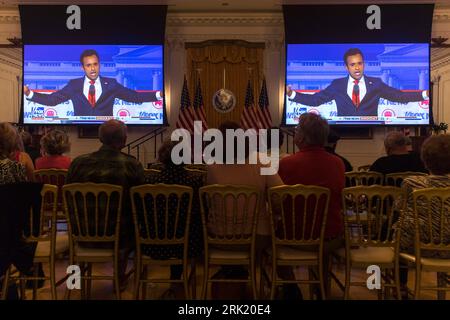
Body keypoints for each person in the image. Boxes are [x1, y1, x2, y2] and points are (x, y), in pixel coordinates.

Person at [66, 119, 145, 291]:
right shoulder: (132, 165)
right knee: (131, 220)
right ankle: (120, 278)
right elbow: (141, 203)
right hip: (119, 238)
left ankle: (74, 281)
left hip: (82, 236)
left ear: (100, 138)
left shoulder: (78, 163)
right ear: (124, 140)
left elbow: (66, 198)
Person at [278, 113, 346, 299]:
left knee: (268, 236)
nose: (295, 131)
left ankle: (290, 286)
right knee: (322, 234)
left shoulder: (286, 164)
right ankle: (320, 288)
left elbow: (277, 202)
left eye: (297, 129)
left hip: (291, 236)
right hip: (329, 237)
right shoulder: (338, 163)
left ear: (302, 137)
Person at [141, 140, 203, 299]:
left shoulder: (148, 183)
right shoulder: (194, 182)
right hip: (186, 246)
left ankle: (174, 281)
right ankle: (177, 280)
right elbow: (201, 212)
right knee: (188, 226)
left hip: (151, 245)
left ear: (161, 157)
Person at [286, 48, 429, 117]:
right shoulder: (337, 85)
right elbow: (315, 100)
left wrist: (424, 94)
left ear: (364, 65)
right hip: (342, 131)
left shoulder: (376, 83)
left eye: (359, 63)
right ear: (346, 67)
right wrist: (292, 94)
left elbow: (399, 96)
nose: (357, 67)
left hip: (372, 126)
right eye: (353, 64)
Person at [24, 49, 163, 117]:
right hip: (79, 131)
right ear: (82, 67)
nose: (92, 68)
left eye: (95, 64)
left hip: (107, 133)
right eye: (88, 65)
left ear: (99, 65)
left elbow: (134, 97)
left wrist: (158, 95)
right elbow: (52, 100)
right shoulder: (74, 85)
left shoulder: (112, 84)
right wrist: (30, 93)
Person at [398, 134, 450, 298]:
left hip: (418, 247)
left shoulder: (412, 183)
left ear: (425, 158)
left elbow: (399, 208)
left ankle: (394, 287)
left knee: (395, 233)